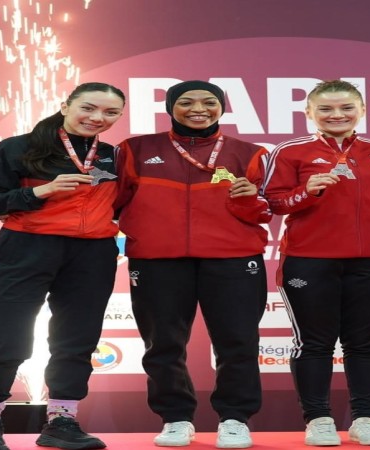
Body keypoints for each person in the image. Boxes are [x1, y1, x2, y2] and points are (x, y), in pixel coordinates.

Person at [0, 82, 126, 450]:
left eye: (110, 112)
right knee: (7, 338)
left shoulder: (114, 156)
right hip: (26, 248)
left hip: (92, 253)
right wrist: (40, 191)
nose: (97, 117)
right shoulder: (18, 147)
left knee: (77, 339)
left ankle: (62, 421)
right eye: (88, 108)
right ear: (66, 105)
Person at [113, 80, 271, 449]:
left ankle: (235, 418)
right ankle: (175, 418)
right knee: (163, 343)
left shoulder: (250, 153)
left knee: (238, 342)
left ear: (222, 108)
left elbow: (266, 211)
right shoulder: (135, 149)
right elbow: (113, 203)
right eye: (186, 102)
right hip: (157, 260)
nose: (198, 109)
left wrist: (250, 199)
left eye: (208, 102)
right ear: (170, 107)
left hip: (233, 258)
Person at [261, 79, 370, 446]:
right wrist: (306, 192)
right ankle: (318, 419)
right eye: (325, 109)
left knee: (367, 344)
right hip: (309, 260)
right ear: (309, 112)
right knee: (314, 343)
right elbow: (272, 203)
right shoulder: (291, 151)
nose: (336, 115)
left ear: (362, 111)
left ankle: (366, 419)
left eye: (346, 107)